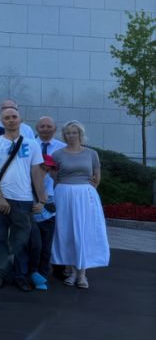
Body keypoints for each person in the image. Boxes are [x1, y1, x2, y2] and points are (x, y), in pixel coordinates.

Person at [0, 106, 46, 291]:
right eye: (7, 117)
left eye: (14, 117)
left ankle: (20, 275)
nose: (11, 120)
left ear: (20, 120)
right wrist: (0, 197)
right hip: (0, 199)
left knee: (21, 241)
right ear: (1, 122)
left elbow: (36, 173)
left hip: (24, 200)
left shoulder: (32, 144)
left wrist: (41, 200)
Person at [51, 121, 108, 289]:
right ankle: (70, 270)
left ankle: (82, 274)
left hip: (85, 196)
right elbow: (54, 179)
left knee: (83, 232)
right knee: (66, 232)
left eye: (74, 132)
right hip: (63, 195)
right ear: (64, 135)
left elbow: (97, 177)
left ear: (80, 134)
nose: (71, 135)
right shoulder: (57, 154)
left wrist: (88, 194)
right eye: (68, 133)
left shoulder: (92, 154)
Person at [27, 154, 57, 291]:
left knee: (45, 248)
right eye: (42, 165)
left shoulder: (48, 179)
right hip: (33, 217)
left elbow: (45, 196)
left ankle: (43, 275)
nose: (45, 169)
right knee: (34, 247)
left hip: (47, 218)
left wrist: (39, 203)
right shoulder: (27, 177)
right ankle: (32, 273)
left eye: (48, 167)